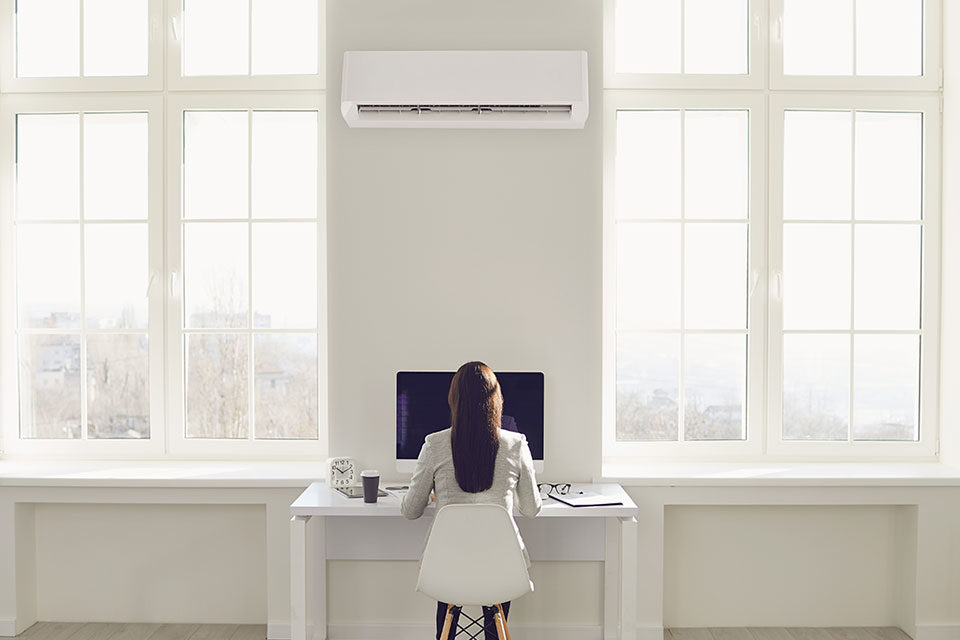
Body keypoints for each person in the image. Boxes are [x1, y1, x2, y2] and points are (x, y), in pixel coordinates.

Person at [401, 361, 541, 640]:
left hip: (446, 566)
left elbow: (410, 511)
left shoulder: (434, 444)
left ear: (454, 399)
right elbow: (531, 509)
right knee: (496, 595)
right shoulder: (516, 445)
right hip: (502, 567)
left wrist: (434, 494)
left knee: (450, 586)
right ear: (496, 399)